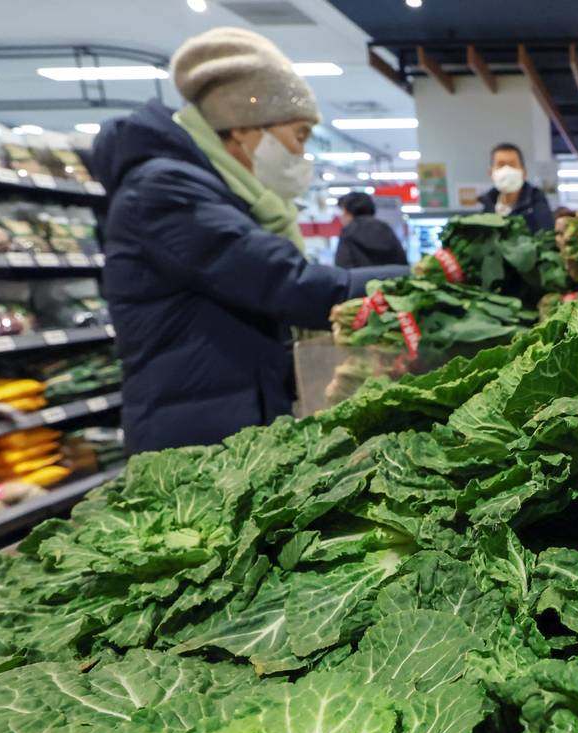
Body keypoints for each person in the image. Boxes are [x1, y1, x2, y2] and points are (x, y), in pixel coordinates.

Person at [90, 27, 404, 453]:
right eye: (299, 135)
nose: (300, 155)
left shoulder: (213, 192)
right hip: (193, 439)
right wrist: (422, 279)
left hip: (219, 418)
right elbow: (284, 282)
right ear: (243, 128)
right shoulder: (166, 190)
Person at [476, 143, 554, 233]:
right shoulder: (487, 206)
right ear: (491, 173)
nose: (506, 170)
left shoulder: (538, 208)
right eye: (500, 165)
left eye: (512, 165)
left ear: (524, 173)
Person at [334, 192, 409, 268]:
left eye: (342, 211)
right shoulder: (385, 228)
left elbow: (343, 265)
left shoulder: (348, 232)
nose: (340, 216)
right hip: (391, 278)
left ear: (348, 212)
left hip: (359, 279)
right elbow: (401, 261)